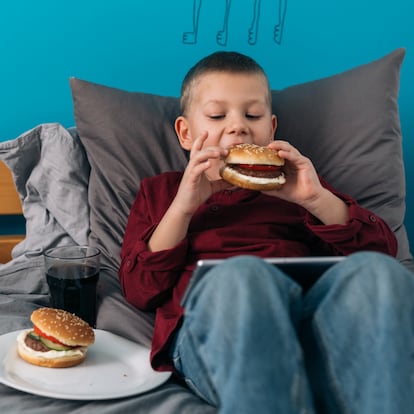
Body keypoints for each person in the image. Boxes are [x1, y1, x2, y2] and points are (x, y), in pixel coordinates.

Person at [119, 51, 414, 413]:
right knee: (244, 276)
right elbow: (139, 290)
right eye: (216, 115)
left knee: (380, 274)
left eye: (252, 115)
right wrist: (183, 207)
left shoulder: (298, 186)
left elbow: (383, 256)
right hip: (216, 338)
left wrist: (316, 199)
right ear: (185, 133)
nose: (238, 126)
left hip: (309, 328)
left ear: (271, 129)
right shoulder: (163, 192)